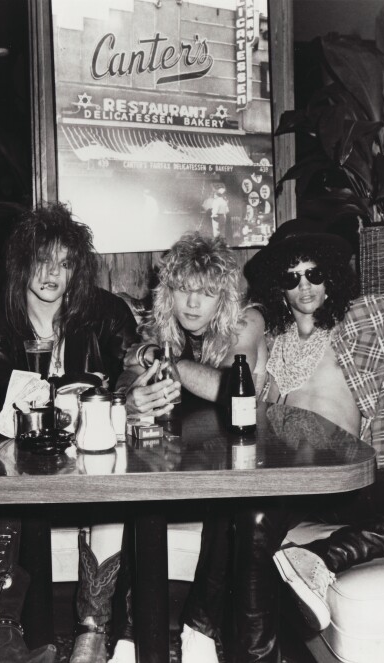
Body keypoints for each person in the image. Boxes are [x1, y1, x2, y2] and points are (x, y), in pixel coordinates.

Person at [211, 219, 384, 662]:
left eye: (314, 273)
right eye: (291, 277)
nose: (305, 286)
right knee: (253, 514)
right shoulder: (266, 334)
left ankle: (323, 557)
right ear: (277, 286)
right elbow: (231, 378)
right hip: (295, 482)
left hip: (365, 475)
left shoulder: (366, 314)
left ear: (331, 274)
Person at [0, 202, 138, 663]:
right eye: (43, 260)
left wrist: (138, 377)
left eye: (64, 263)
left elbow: (131, 367)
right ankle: (1, 637)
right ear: (22, 264)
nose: (52, 274)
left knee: (114, 484)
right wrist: (79, 389)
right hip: (23, 461)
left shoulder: (105, 313)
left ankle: (91, 632)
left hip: (94, 455)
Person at [115, 232, 268, 663]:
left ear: (224, 296)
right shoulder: (161, 328)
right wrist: (132, 394)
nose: (193, 303)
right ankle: (129, 639)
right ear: (169, 293)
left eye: (205, 292)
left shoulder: (246, 321)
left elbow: (230, 387)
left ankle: (200, 634)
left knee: (227, 497)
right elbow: (129, 367)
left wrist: (168, 364)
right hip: (187, 457)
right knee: (139, 493)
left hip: (254, 459)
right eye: (183, 290)